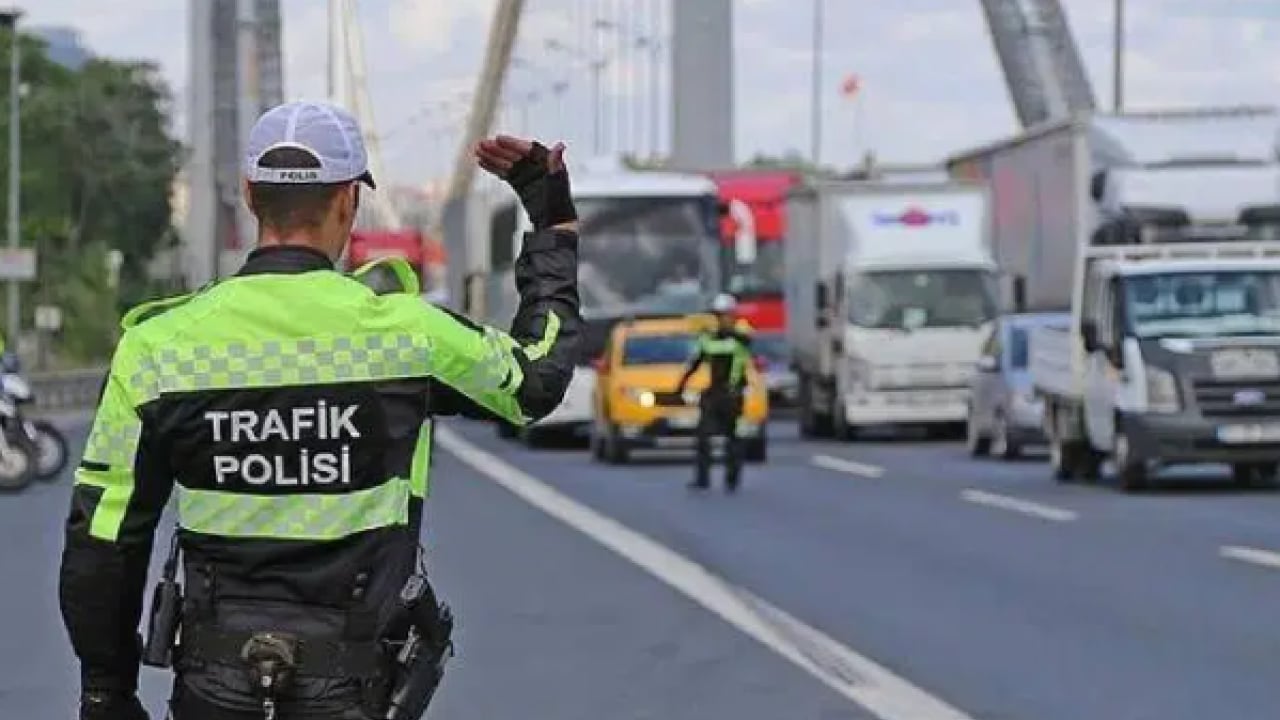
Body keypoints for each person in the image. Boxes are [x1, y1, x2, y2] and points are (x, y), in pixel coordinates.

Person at [58, 100, 582, 720]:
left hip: (211, 688)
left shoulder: (158, 347)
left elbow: (102, 542)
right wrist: (550, 220)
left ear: (251, 197)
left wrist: (106, 694)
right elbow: (535, 379)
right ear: (349, 202)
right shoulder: (405, 336)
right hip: (356, 690)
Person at [675, 293, 753, 493]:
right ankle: (702, 479)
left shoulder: (741, 337)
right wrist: (681, 385)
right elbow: (696, 362)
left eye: (726, 315)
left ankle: (732, 479)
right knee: (703, 437)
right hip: (714, 393)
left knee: (734, 439)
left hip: (733, 394)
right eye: (719, 316)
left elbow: (744, 344)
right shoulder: (709, 339)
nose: (722, 319)